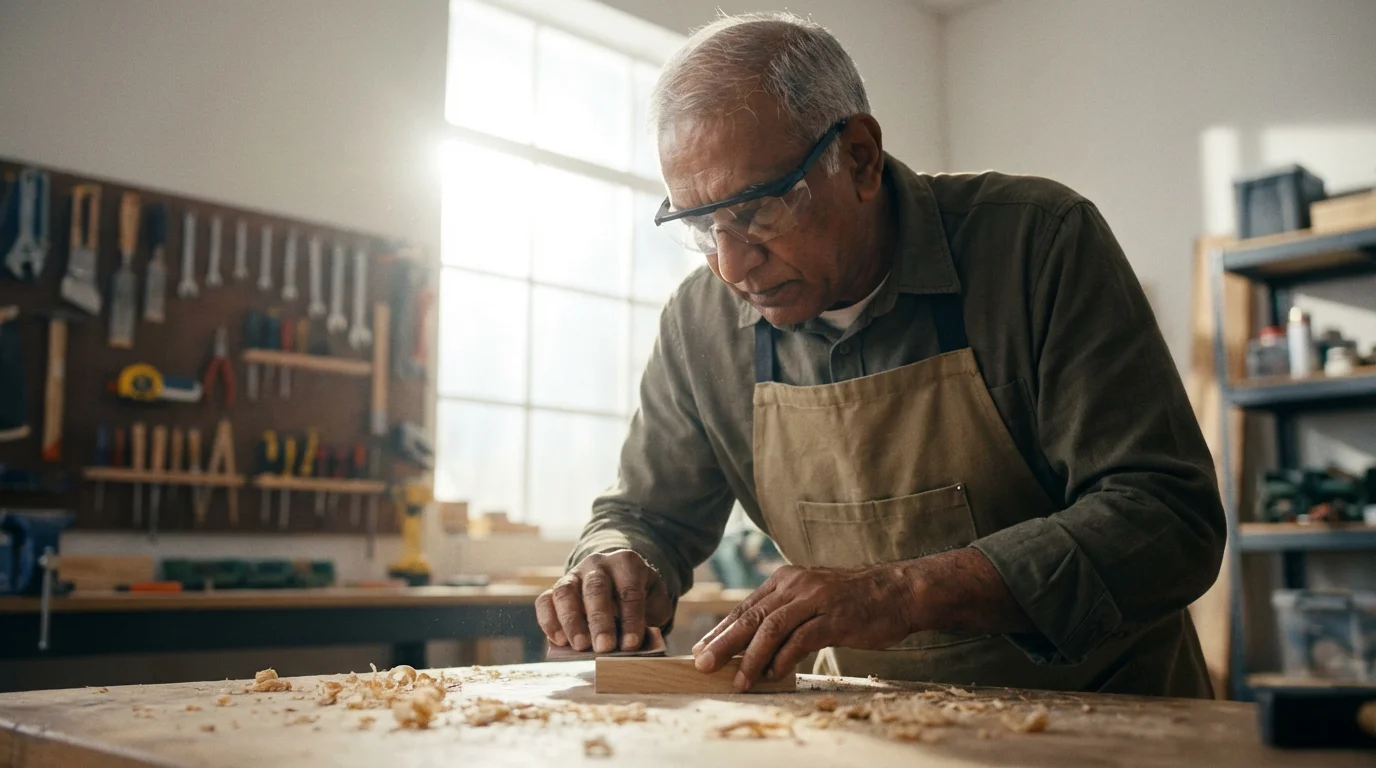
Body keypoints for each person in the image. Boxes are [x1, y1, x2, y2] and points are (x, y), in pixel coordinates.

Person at [535, 11, 1225, 698]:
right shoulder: (699, 325)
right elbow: (647, 517)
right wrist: (610, 563)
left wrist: (906, 591)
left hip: (1113, 716)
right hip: (875, 724)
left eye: (758, 212)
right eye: (702, 225)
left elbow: (1167, 519)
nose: (731, 264)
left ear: (859, 158)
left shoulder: (1038, 245)